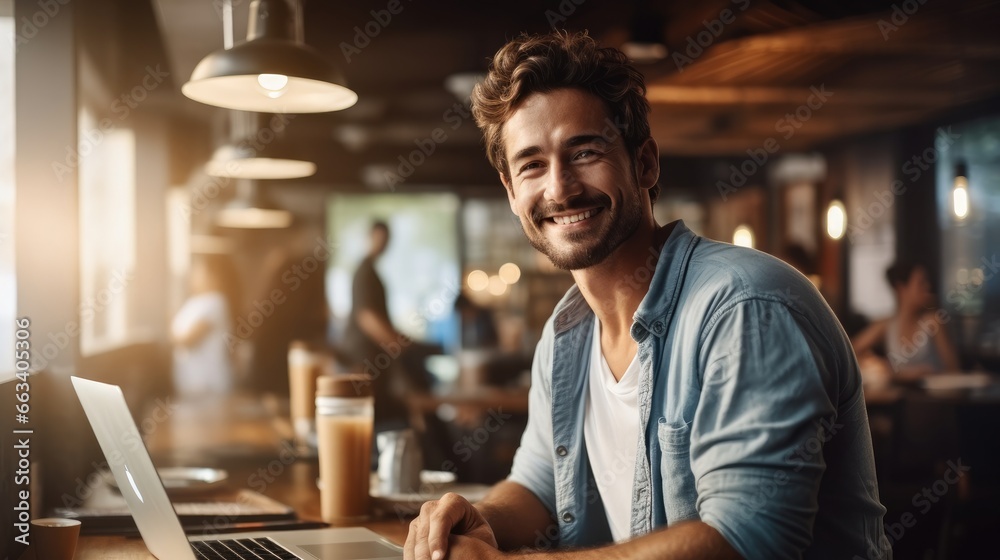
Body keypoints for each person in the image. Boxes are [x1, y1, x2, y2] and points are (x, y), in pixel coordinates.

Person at [405, 31, 890, 560]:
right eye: (532, 165)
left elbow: (751, 539)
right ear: (511, 191)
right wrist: (483, 521)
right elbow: (540, 482)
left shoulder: (745, 307)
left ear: (646, 164)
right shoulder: (568, 330)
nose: (560, 189)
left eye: (584, 151)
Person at [343, 221, 434, 428]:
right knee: (372, 418)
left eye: (386, 240)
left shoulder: (372, 272)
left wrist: (400, 340)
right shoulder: (364, 271)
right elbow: (367, 317)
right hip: (363, 358)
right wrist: (396, 343)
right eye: (379, 238)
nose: (383, 244)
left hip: (374, 358)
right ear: (369, 238)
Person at [852, 260, 961, 380]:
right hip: (902, 396)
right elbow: (851, 350)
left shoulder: (933, 322)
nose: (927, 287)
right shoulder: (887, 324)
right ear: (901, 289)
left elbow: (953, 370)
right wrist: (877, 364)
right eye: (921, 283)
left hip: (934, 396)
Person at [170, 253, 241, 398]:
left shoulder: (216, 301)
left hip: (209, 383)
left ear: (213, 275)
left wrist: (172, 332)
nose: (193, 275)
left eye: (199, 271)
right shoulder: (194, 302)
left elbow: (187, 339)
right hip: (191, 382)